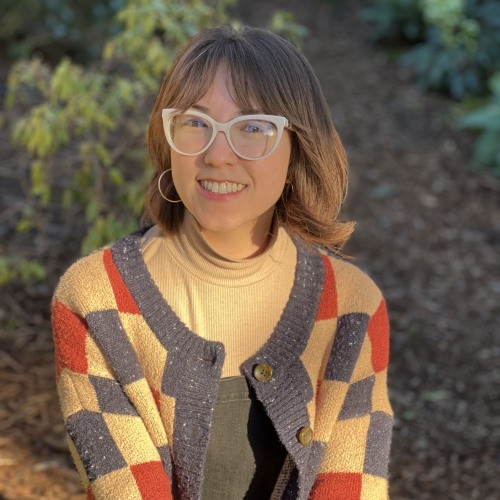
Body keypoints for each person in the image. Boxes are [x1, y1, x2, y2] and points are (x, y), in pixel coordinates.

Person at [51, 26, 393, 500]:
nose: (217, 155)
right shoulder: (96, 300)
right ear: (167, 137)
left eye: (253, 128)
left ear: (298, 147)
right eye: (196, 123)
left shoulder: (352, 309)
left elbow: (351, 489)